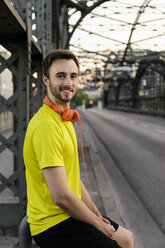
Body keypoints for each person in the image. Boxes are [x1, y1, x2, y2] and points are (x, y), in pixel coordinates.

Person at [23, 49, 134, 248]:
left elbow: (74, 182)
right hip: (52, 223)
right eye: (60, 76)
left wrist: (98, 216)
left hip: (68, 215)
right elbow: (62, 196)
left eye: (73, 76)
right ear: (46, 81)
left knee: (127, 239)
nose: (68, 83)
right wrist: (98, 226)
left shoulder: (64, 118)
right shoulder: (46, 126)